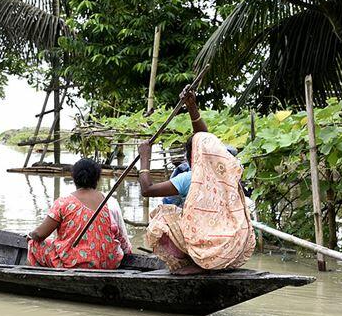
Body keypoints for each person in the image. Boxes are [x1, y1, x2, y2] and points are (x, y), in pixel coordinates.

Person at [137, 86, 255, 273]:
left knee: (161, 216)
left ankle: (194, 262)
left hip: (208, 247)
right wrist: (192, 107)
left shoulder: (190, 178)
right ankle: (208, 260)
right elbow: (205, 139)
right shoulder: (229, 171)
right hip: (232, 246)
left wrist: (144, 157)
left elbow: (147, 190)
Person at [26, 158, 132, 269]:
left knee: (34, 244)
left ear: (74, 178)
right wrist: (128, 254)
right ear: (97, 179)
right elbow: (122, 238)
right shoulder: (110, 201)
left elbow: (39, 234)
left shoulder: (63, 202)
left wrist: (30, 236)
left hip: (74, 263)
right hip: (108, 263)